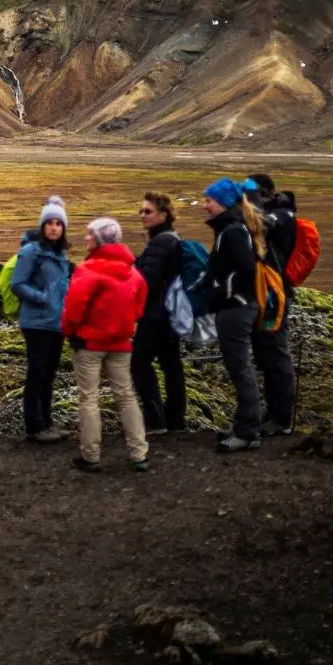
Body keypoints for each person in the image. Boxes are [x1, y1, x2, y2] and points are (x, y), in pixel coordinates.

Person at [61, 217, 151, 472]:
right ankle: (139, 453)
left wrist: (69, 332)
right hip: (121, 344)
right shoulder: (133, 273)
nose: (86, 238)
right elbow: (139, 305)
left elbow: (74, 308)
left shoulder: (88, 270)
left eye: (90, 235)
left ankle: (91, 455)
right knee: (126, 396)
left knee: (89, 398)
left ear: (100, 239)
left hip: (89, 343)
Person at [192, 177, 262, 452]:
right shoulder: (231, 229)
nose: (205, 206)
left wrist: (219, 294)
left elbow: (245, 270)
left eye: (209, 201)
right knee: (238, 368)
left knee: (240, 368)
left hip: (235, 309)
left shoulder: (232, 231)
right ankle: (244, 426)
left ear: (222, 202)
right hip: (235, 307)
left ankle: (247, 432)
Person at [10, 196, 73, 443]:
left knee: (49, 374)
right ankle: (34, 426)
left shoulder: (60, 255)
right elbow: (18, 284)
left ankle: (47, 422)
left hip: (56, 323)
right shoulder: (31, 252)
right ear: (43, 226)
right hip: (36, 323)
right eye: (50, 223)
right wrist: (43, 297)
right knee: (37, 373)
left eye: (59, 223)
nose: (54, 227)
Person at [243, 173, 300, 436]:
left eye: (252, 193)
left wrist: (250, 202)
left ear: (266, 193)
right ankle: (273, 413)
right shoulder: (275, 212)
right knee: (265, 351)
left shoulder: (284, 215)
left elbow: (262, 224)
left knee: (275, 350)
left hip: (276, 297)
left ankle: (282, 418)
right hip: (264, 293)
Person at [131, 192, 188, 434]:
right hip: (169, 315)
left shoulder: (161, 242)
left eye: (148, 211)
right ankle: (175, 418)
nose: (142, 216)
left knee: (139, 363)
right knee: (171, 364)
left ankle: (154, 418)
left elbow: (147, 281)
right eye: (141, 211)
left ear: (163, 214)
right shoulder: (170, 238)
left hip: (155, 315)